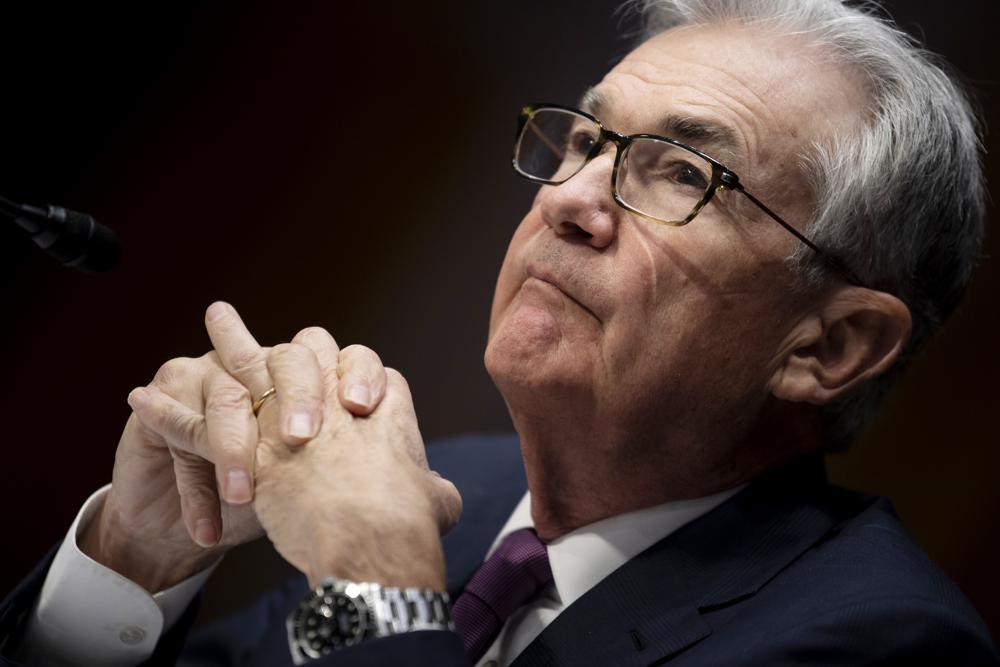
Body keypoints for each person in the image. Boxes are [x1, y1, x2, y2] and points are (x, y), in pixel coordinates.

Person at [2, 0, 997, 664]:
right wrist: (133, 564)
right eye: (586, 141)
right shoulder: (458, 488)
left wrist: (374, 591)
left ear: (827, 347)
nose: (570, 197)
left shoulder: (878, 638)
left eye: (684, 174)